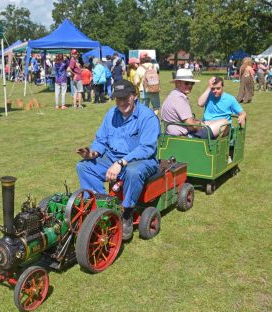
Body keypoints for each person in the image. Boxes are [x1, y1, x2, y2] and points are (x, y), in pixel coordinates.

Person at [76, 79, 160, 240]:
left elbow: (147, 148)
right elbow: (101, 140)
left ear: (134, 96)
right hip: (113, 158)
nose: (121, 102)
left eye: (125, 97)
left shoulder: (147, 117)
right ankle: (101, 206)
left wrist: (121, 163)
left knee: (133, 172)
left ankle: (127, 213)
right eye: (118, 98)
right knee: (83, 167)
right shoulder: (111, 114)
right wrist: (92, 153)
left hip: (142, 160)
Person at [161, 69, 204, 137]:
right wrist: (202, 126)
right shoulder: (179, 98)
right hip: (182, 136)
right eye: (186, 83)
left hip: (171, 134)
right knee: (219, 125)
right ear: (177, 83)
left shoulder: (173, 95)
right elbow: (191, 126)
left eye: (192, 83)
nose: (190, 86)